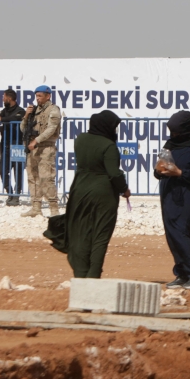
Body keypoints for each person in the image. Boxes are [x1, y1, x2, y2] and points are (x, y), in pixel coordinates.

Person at [55, 110, 130, 278]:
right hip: (104, 193)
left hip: (80, 189)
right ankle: (93, 275)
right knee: (100, 235)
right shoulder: (108, 145)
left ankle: (80, 272)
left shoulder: (80, 139)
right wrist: (124, 189)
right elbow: (114, 173)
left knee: (80, 232)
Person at [155, 110, 190, 290]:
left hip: (187, 194)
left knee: (180, 232)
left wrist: (179, 173)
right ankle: (183, 273)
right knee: (172, 234)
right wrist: (159, 170)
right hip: (169, 193)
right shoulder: (171, 143)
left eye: (178, 131)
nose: (175, 135)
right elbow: (159, 168)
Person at [19, 85, 62, 217]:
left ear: (48, 96)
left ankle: (54, 209)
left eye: (40, 96)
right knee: (33, 177)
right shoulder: (34, 110)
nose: (37, 98)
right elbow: (22, 129)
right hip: (33, 148)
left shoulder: (53, 110)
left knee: (46, 178)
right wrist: (26, 115)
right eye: (36, 96)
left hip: (46, 147)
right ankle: (35, 207)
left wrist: (36, 140)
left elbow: (51, 129)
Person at [0, 89, 26, 206]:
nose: (2, 99)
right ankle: (10, 193)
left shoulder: (20, 111)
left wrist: (1, 119)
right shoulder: (4, 111)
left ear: (9, 98)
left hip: (17, 144)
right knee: (3, 170)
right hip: (5, 144)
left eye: (3, 97)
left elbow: (17, 118)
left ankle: (16, 195)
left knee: (18, 171)